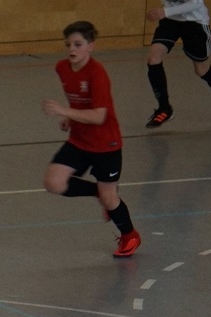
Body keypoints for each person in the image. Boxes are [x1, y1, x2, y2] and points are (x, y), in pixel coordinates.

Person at [41, 21, 141, 258]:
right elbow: (79, 99)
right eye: (68, 44)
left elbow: (99, 116)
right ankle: (98, 191)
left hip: (106, 144)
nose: (71, 49)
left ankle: (130, 235)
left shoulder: (98, 74)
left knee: (110, 199)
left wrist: (65, 111)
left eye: (78, 44)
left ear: (91, 46)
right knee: (54, 183)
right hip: (79, 140)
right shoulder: (62, 68)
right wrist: (70, 117)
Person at [144, 0, 211, 128]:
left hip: (195, 22)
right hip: (171, 20)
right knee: (153, 59)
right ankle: (165, 108)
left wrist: (165, 12)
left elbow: (196, 3)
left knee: (201, 69)